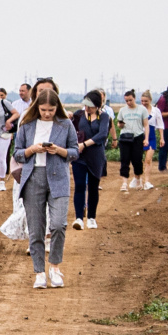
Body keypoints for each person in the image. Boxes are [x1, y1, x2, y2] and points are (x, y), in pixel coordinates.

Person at [13, 81, 80, 289]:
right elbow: (17, 153)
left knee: (59, 224)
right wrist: (32, 149)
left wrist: (59, 151)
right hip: (33, 177)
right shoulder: (26, 124)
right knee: (36, 229)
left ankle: (55, 267)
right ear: (37, 107)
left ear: (57, 108)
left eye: (51, 110)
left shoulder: (65, 124)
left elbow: (75, 152)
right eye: (43, 110)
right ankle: (39, 272)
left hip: (58, 176)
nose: (47, 114)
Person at [73, 90, 112, 230]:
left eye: (90, 106)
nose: (87, 108)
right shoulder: (78, 115)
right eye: (85, 105)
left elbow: (102, 135)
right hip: (80, 157)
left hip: (96, 156)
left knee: (93, 187)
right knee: (79, 186)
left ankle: (91, 217)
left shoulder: (104, 117)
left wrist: (84, 144)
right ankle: (78, 217)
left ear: (97, 105)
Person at [119, 89, 154, 187]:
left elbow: (146, 125)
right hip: (125, 137)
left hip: (137, 137)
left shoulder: (142, 109)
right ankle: (124, 183)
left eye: (130, 100)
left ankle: (138, 178)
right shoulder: (122, 110)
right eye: (126, 101)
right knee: (124, 160)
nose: (128, 102)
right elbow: (119, 123)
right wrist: (120, 125)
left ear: (134, 98)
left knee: (137, 160)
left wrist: (146, 139)